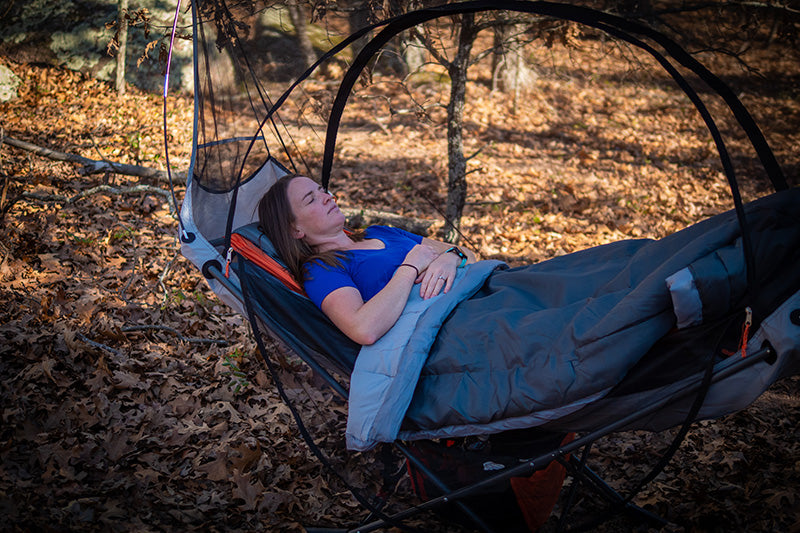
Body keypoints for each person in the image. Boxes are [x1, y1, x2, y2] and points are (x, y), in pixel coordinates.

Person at [258, 173, 478, 345]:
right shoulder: (321, 270)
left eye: (322, 190)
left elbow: (468, 254)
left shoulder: (380, 231)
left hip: (476, 294)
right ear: (295, 229)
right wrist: (410, 267)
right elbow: (363, 329)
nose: (327, 197)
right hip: (454, 327)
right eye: (311, 199)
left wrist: (450, 258)